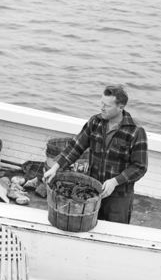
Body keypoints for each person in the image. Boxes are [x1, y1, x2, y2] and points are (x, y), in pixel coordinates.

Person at [42, 84, 148, 224]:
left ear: (121, 107)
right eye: (101, 103)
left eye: (107, 106)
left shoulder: (136, 131)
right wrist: (56, 167)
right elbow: (76, 146)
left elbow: (140, 167)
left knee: (113, 233)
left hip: (119, 197)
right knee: (89, 226)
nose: (102, 108)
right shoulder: (95, 122)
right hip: (92, 191)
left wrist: (115, 182)